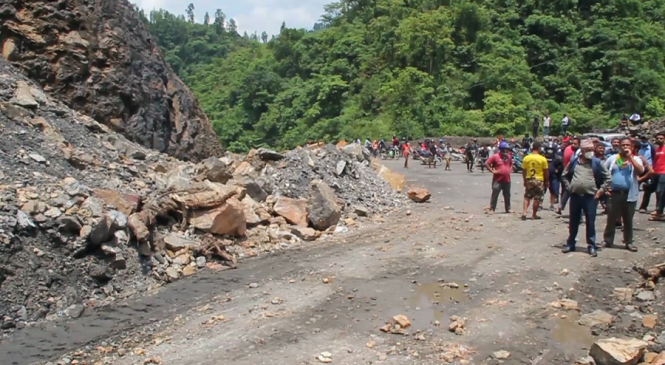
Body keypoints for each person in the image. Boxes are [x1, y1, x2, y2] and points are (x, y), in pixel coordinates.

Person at [561, 139, 610, 257]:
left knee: (590, 222)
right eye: (588, 150)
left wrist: (600, 191)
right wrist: (570, 187)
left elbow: (608, 178)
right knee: (573, 221)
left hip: (591, 197)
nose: (591, 152)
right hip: (575, 196)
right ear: (582, 150)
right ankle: (570, 243)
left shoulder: (597, 163)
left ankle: (591, 245)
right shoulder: (574, 162)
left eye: (592, 150)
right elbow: (564, 176)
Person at [602, 137, 644, 252]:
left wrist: (630, 157)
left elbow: (640, 171)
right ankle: (608, 240)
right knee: (611, 218)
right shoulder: (613, 159)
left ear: (632, 147)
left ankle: (628, 242)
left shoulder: (636, 159)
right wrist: (605, 188)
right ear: (619, 146)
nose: (625, 147)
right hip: (614, 194)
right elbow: (603, 172)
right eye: (623, 145)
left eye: (628, 145)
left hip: (629, 194)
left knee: (628, 219)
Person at [521, 141, 549, 220]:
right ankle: (533, 215)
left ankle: (524, 212)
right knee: (537, 198)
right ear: (539, 148)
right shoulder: (542, 159)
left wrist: (524, 180)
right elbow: (546, 171)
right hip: (539, 180)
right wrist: (547, 181)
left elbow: (524, 170)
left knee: (527, 197)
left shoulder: (526, 158)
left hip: (530, 179)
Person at [486, 141, 513, 214]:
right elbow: (487, 163)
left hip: (507, 180)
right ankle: (492, 209)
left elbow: (511, 164)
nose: (507, 150)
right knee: (495, 195)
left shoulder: (508, 156)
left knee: (507, 195)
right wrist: (492, 171)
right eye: (505, 149)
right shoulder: (495, 156)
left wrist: (509, 170)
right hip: (497, 180)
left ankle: (508, 209)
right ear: (502, 149)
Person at [639, 135, 657, 213]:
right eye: (642, 139)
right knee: (634, 188)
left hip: (649, 170)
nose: (644, 141)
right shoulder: (637, 148)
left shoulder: (652, 149)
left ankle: (643, 207)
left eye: (645, 139)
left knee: (648, 188)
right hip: (638, 169)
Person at [649, 131, 665, 221]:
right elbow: (655, 161)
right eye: (658, 138)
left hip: (664, 173)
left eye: (661, 138)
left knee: (660, 191)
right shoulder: (656, 149)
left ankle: (659, 210)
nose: (659, 140)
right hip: (656, 172)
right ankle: (659, 209)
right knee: (657, 192)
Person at [544, 144, 563, 211]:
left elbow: (561, 165)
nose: (549, 151)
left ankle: (551, 205)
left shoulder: (557, 158)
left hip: (554, 177)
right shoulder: (543, 157)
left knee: (553, 191)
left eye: (551, 149)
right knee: (542, 191)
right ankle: (539, 204)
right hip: (543, 177)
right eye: (548, 149)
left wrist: (558, 169)